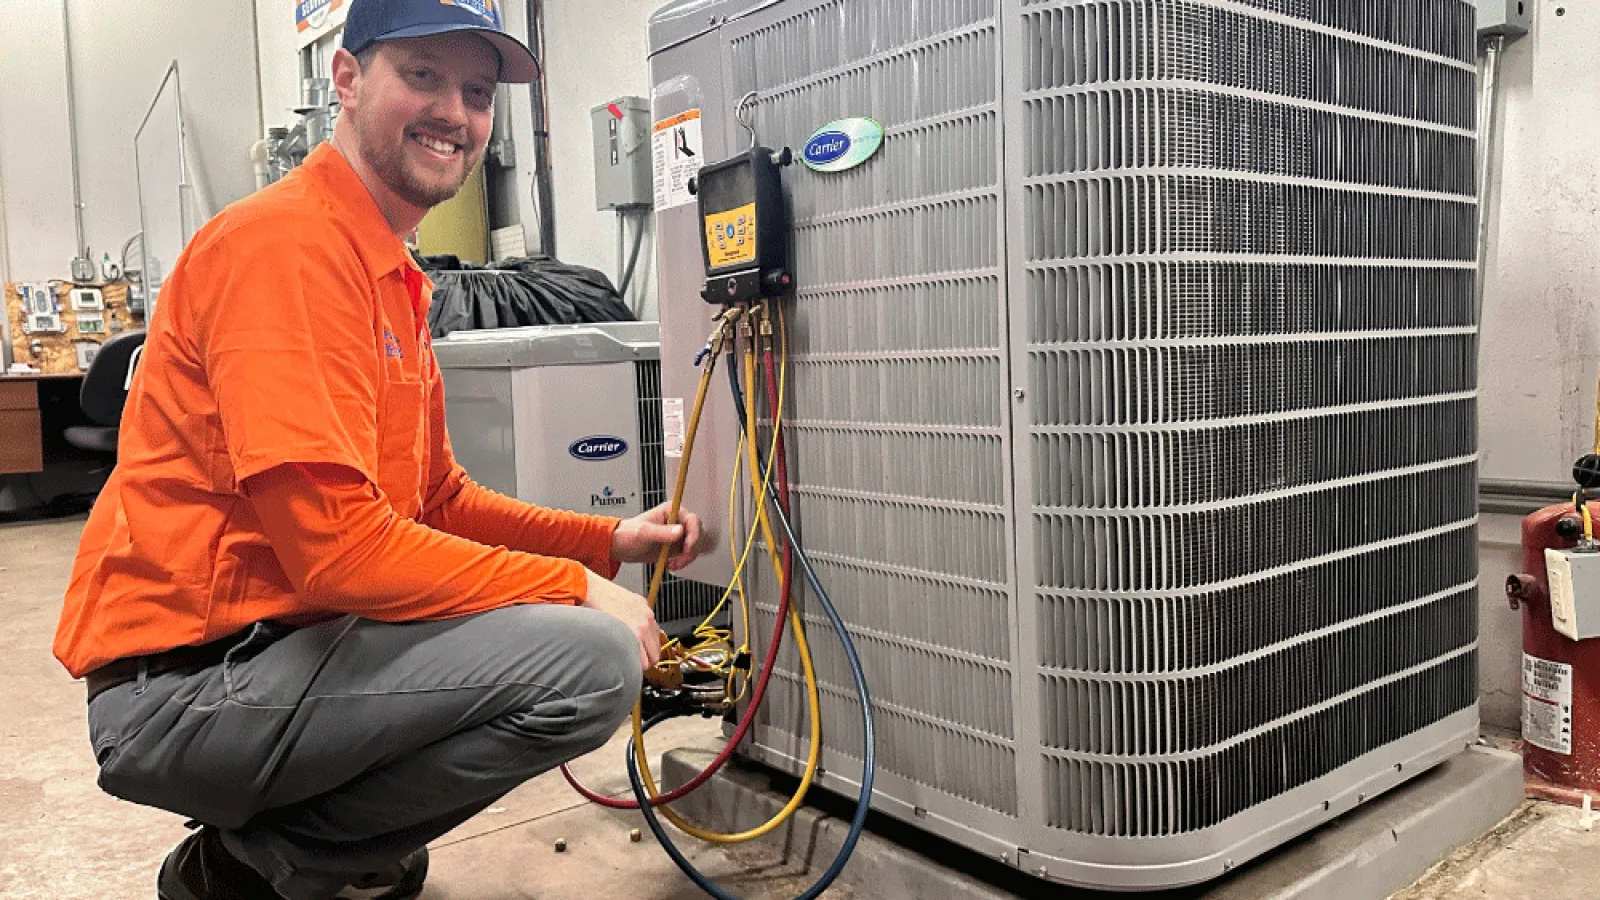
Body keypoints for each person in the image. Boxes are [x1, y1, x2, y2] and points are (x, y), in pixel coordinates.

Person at [51, 1, 704, 897]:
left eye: (477, 92)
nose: (456, 113)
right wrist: (576, 587)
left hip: (279, 646)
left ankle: (307, 837)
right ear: (348, 80)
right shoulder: (284, 249)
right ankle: (248, 869)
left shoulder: (390, 275)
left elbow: (437, 500)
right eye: (423, 77)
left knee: (549, 628)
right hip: (185, 683)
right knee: (587, 661)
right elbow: (337, 554)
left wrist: (603, 542)